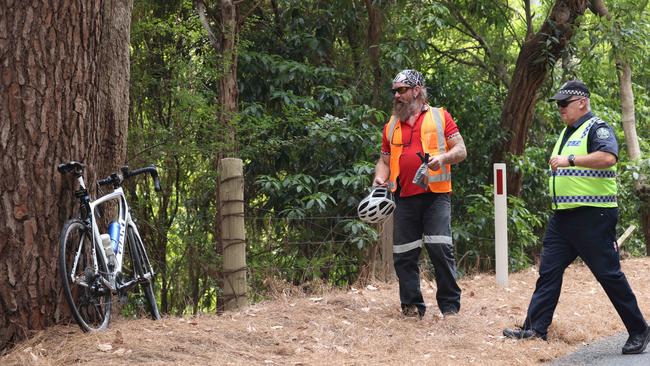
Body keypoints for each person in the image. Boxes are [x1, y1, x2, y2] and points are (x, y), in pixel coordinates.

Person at [503, 80, 650, 355]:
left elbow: (608, 157)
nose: (560, 109)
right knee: (548, 272)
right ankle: (535, 329)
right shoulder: (567, 133)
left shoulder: (597, 128)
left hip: (593, 215)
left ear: (582, 102)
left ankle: (639, 329)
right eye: (558, 104)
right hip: (564, 218)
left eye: (563, 104)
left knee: (608, 274)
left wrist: (570, 160)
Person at [373, 69, 467, 319]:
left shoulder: (440, 116)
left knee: (439, 248)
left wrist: (443, 158)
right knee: (404, 254)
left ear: (417, 90)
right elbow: (383, 161)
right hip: (402, 196)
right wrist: (379, 176)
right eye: (394, 91)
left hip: (436, 195)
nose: (397, 95)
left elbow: (461, 150)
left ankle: (449, 308)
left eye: (402, 90)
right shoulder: (390, 125)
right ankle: (412, 308)